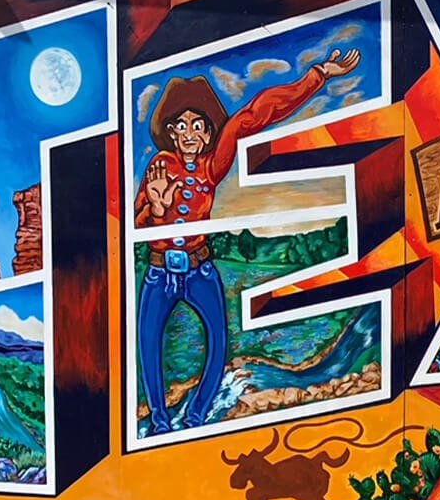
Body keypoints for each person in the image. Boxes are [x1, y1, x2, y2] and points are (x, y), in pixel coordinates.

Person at [134, 47, 360, 435]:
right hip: (159, 275)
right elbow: (136, 223)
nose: (190, 134)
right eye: (182, 127)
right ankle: (158, 422)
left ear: (208, 132)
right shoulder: (158, 166)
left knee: (219, 345)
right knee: (149, 351)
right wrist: (156, 207)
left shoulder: (210, 167)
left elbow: (251, 117)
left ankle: (195, 417)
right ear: (170, 132)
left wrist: (318, 75)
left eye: (198, 126)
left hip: (199, 269)